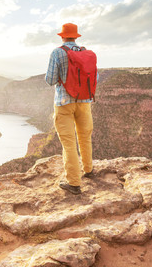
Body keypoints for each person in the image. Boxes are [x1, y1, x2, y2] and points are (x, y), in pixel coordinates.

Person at [45, 22, 94, 195]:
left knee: (69, 143)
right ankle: (88, 169)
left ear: (62, 36)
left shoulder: (57, 52)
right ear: (76, 36)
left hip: (64, 102)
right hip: (84, 100)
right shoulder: (84, 52)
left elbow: (50, 80)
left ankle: (74, 183)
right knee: (84, 136)